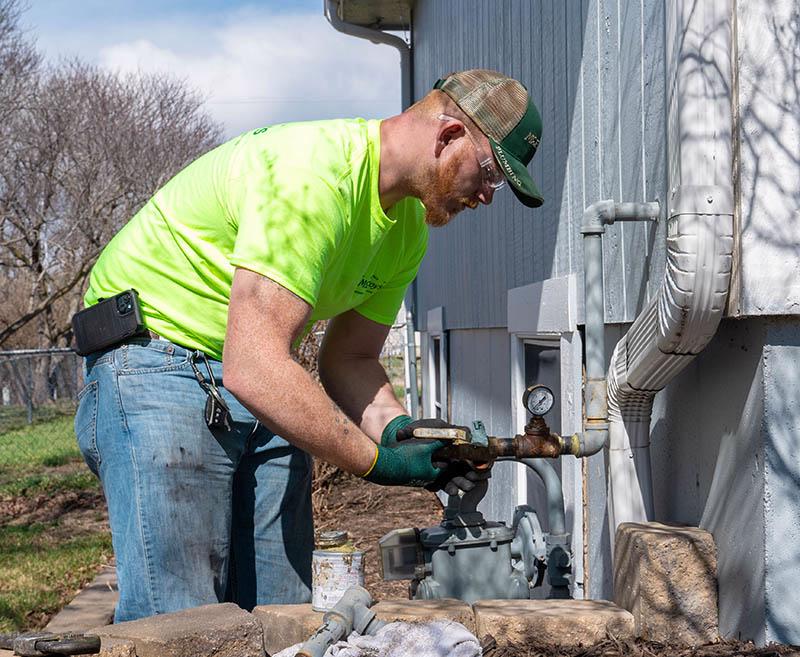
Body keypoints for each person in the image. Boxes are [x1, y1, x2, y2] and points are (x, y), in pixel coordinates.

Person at [73, 68, 544, 622]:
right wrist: (381, 463)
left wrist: (406, 437)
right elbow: (252, 364)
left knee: (283, 614)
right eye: (491, 172)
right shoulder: (314, 177)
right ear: (447, 137)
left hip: (254, 375)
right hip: (157, 359)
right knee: (182, 623)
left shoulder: (407, 230)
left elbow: (351, 358)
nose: (488, 195)